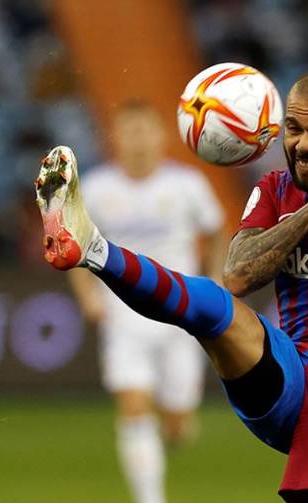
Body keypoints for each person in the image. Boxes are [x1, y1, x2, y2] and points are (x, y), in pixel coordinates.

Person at [35, 67, 308, 503]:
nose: (303, 144)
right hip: (289, 381)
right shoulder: (275, 190)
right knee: (214, 305)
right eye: (294, 129)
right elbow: (238, 275)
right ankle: (94, 249)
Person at [66, 100, 226, 503]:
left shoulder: (187, 185)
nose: (137, 140)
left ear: (161, 137)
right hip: (123, 316)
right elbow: (75, 248)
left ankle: (174, 426)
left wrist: (215, 281)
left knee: (176, 425)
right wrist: (88, 295)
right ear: (115, 138)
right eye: (129, 131)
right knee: (134, 406)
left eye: (144, 131)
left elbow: (217, 231)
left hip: (179, 315)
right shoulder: (96, 189)